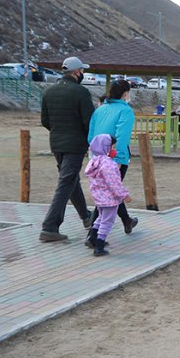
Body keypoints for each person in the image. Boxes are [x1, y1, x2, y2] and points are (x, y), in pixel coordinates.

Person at [38, 56, 95, 243]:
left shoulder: (49, 91)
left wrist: (59, 131)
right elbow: (89, 122)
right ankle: (49, 227)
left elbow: (45, 120)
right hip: (75, 144)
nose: (83, 74)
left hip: (56, 143)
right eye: (82, 71)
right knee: (66, 182)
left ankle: (86, 216)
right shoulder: (81, 92)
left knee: (70, 180)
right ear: (77, 72)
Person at [87, 79, 139, 235]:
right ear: (125, 94)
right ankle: (93, 236)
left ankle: (127, 220)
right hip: (113, 157)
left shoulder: (100, 110)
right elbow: (122, 137)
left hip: (96, 156)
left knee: (109, 191)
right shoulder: (125, 111)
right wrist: (119, 159)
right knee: (109, 193)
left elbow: (90, 135)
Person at [83, 134, 131, 256]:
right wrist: (124, 195)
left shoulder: (94, 161)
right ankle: (99, 246)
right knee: (107, 221)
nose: (114, 150)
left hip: (99, 197)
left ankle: (93, 238)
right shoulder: (108, 164)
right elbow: (114, 183)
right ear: (106, 148)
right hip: (109, 199)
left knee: (100, 218)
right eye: (112, 147)